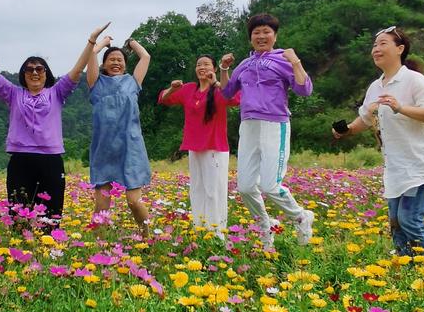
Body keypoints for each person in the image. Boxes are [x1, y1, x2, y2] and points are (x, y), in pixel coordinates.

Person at [0, 22, 109, 223]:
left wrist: (92, 40)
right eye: (29, 70)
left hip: (51, 160)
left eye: (39, 69)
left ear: (46, 73)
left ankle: (48, 250)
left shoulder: (57, 92)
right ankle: (20, 254)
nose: (34, 73)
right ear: (23, 74)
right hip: (20, 160)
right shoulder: (13, 93)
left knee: (51, 217)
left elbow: (78, 69)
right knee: (18, 216)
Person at [333, 25, 424, 255]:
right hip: (396, 167)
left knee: (409, 219)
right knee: (396, 223)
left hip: (420, 164)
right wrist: (346, 131)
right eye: (374, 45)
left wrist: (400, 107)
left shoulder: (414, 80)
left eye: (383, 44)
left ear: (400, 49)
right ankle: (404, 269)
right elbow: (366, 119)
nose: (376, 49)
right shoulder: (376, 86)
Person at [219, 13, 315, 251]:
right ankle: (265, 225)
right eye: (256, 33)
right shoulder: (244, 64)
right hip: (248, 124)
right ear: (250, 37)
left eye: (266, 32)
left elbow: (305, 90)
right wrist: (223, 69)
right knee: (245, 186)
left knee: (271, 185)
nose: (261, 36)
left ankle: (301, 216)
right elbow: (226, 93)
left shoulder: (282, 59)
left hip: (275, 124)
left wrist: (295, 61)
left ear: (275, 35)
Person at [158, 55, 240, 237]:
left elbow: (235, 99)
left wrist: (216, 83)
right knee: (197, 190)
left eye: (206, 65)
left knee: (214, 192)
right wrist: (172, 89)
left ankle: (217, 234)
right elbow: (163, 98)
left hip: (215, 148)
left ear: (214, 69)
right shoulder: (188, 89)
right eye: (199, 65)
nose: (202, 67)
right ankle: (200, 231)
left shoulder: (219, 90)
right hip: (194, 148)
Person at [86, 37, 151, 233]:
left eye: (119, 59)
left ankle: (148, 236)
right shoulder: (95, 83)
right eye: (111, 59)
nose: (115, 62)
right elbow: (90, 55)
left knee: (134, 202)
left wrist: (131, 43)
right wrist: (100, 44)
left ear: (125, 64)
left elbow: (145, 56)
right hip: (104, 149)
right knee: (102, 207)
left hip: (131, 148)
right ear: (104, 64)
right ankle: (97, 248)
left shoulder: (133, 82)